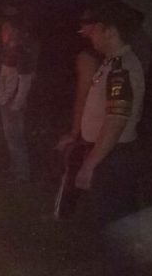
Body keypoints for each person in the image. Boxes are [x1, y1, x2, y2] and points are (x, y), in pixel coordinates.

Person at [56, 1, 145, 227]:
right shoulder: (112, 63)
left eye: (95, 30)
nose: (90, 35)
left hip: (113, 155)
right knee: (114, 218)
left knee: (115, 220)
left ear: (111, 32)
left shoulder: (121, 69)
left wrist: (91, 163)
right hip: (109, 152)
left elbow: (116, 119)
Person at [53, 19, 102, 219]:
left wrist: (75, 131)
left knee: (73, 164)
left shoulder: (88, 57)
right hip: (95, 120)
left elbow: (83, 93)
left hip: (88, 121)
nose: (82, 29)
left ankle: (64, 212)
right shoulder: (102, 56)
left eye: (87, 24)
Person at [0, 19, 36, 183]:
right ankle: (15, 169)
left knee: (16, 138)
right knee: (11, 138)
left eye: (5, 30)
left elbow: (25, 80)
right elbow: (9, 76)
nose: (2, 34)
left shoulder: (21, 52)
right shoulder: (9, 51)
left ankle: (22, 173)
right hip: (6, 100)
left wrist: (16, 104)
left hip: (12, 103)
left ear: (13, 32)